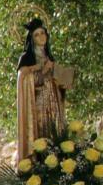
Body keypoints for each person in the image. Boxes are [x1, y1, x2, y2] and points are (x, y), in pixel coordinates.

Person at [15, 19, 68, 159]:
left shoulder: (49, 56)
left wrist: (61, 76)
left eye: (43, 33)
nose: (41, 37)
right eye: (37, 34)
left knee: (54, 133)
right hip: (37, 105)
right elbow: (24, 80)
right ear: (32, 39)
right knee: (41, 135)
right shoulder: (26, 58)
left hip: (53, 104)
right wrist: (41, 70)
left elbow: (60, 82)